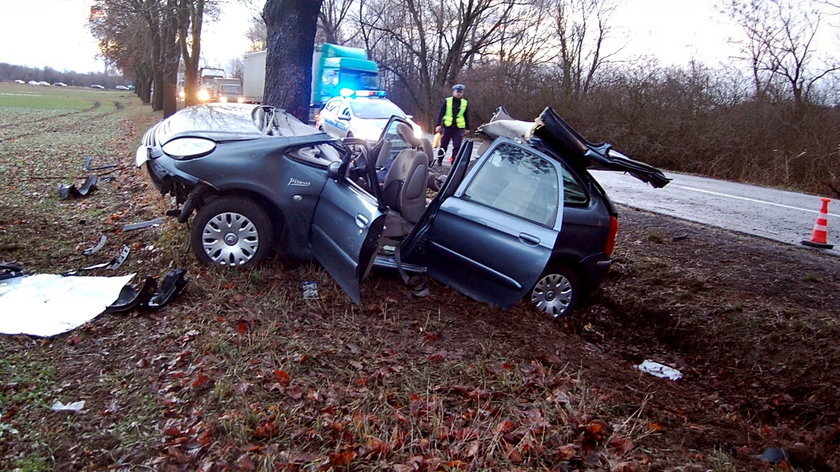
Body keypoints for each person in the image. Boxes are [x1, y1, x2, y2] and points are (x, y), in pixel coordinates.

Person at [434, 84, 470, 166]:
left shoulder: (465, 103)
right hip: (448, 127)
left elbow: (466, 115)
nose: (459, 94)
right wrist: (438, 125)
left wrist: (467, 128)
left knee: (457, 146)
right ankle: (440, 160)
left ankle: (453, 162)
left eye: (460, 92)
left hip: (458, 128)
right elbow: (441, 113)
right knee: (444, 145)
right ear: (454, 92)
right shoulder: (447, 101)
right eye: (457, 92)